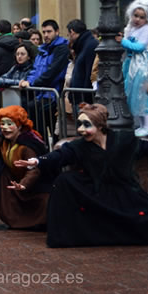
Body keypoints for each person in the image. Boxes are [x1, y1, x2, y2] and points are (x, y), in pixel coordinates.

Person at [15, 104, 148, 247]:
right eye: (79, 125)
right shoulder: (80, 146)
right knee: (64, 181)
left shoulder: (123, 140)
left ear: (100, 125)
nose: (81, 130)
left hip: (125, 192)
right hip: (96, 192)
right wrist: (37, 160)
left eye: (86, 125)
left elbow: (144, 147)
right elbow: (60, 155)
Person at [19, 19, 69, 140]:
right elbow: (35, 70)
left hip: (53, 95)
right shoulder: (42, 50)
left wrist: (33, 83)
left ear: (57, 32)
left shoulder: (61, 48)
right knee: (39, 129)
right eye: (44, 32)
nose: (46, 35)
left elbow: (53, 71)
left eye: (49, 31)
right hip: (40, 94)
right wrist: (29, 81)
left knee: (54, 131)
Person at [121, 0, 148, 136]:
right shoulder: (130, 29)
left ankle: (146, 125)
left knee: (141, 97)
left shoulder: (146, 30)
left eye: (142, 17)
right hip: (133, 66)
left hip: (143, 68)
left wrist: (122, 42)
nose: (138, 19)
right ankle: (140, 124)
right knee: (134, 96)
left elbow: (139, 47)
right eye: (136, 16)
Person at [66, 19, 98, 107]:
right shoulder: (83, 45)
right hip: (79, 98)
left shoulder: (90, 45)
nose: (68, 37)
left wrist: (85, 101)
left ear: (72, 32)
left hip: (84, 101)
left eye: (68, 34)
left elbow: (89, 73)